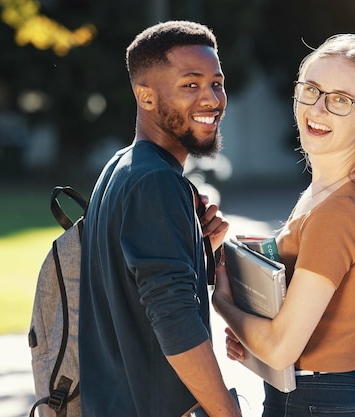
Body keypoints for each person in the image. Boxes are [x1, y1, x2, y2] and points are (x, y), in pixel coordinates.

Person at [212, 34, 355, 417]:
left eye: (341, 99)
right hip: (350, 390)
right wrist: (254, 333)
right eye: (311, 89)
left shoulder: (339, 210)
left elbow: (281, 348)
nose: (318, 108)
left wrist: (225, 304)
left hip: (324, 402)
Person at [78, 21, 241, 417]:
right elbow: (174, 319)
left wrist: (198, 248)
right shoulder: (155, 181)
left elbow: (136, 288)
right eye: (190, 85)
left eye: (216, 84)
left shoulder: (123, 166)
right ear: (146, 97)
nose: (211, 99)